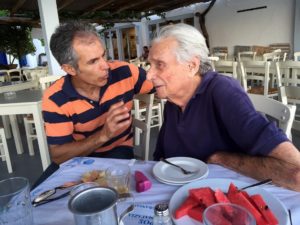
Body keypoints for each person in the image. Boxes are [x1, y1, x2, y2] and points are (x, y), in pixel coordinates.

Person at [146, 23, 300, 192]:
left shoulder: (222, 91)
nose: (149, 75)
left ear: (191, 66)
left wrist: (223, 159)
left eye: (159, 64)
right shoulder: (172, 102)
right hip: (179, 193)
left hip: (223, 202)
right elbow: (160, 158)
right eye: (150, 64)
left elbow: (295, 172)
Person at [32, 22, 154, 189]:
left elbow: (162, 83)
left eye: (104, 56)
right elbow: (59, 155)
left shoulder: (124, 72)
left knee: (108, 198)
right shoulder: (55, 98)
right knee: (32, 201)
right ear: (70, 69)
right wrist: (104, 135)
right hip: (77, 159)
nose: (105, 66)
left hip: (118, 152)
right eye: (93, 61)